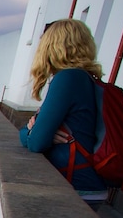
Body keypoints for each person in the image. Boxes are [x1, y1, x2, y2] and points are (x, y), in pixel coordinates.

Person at [19, 19, 108, 198]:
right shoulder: (84, 78)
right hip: (87, 184)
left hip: (77, 186)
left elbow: (36, 142)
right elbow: (36, 135)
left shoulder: (68, 78)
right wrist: (36, 133)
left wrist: (31, 132)